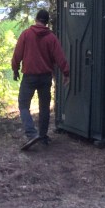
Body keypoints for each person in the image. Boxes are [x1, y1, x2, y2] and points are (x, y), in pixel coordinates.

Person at [11, 9, 70, 150]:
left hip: (29, 77)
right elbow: (60, 57)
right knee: (44, 107)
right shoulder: (51, 37)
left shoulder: (26, 34)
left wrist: (15, 69)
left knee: (23, 104)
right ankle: (42, 136)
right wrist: (66, 73)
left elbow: (17, 54)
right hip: (45, 77)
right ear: (47, 22)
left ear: (36, 19)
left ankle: (32, 134)